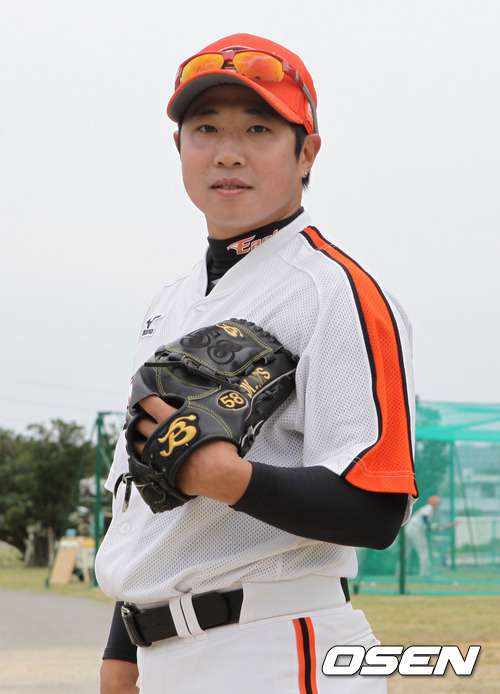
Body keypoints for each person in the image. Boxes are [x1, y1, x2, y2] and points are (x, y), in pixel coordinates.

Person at [95, 32, 418, 694]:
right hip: (163, 651)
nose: (228, 152)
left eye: (259, 128)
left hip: (276, 646)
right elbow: (145, 499)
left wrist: (231, 479)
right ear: (179, 147)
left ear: (307, 153)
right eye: (206, 128)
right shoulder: (171, 302)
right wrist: (121, 654)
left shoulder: (335, 290)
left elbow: (378, 509)